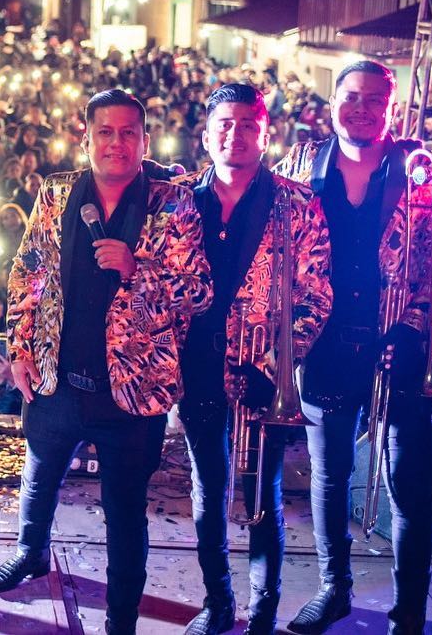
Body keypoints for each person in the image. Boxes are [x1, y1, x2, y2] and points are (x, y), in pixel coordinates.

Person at [0, 88, 213, 635]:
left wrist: (139, 270)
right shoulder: (56, 193)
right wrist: (18, 348)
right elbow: (26, 273)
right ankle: (30, 552)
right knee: (38, 474)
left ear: (144, 140)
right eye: (104, 132)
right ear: (85, 140)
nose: (116, 143)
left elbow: (199, 291)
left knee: (126, 512)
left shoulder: (172, 201)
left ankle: (121, 617)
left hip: (133, 390)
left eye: (127, 132)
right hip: (58, 377)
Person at [273, 60, 432, 635]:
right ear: (332, 102)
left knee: (408, 486)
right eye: (350, 96)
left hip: (397, 347)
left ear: (392, 105)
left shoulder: (420, 169)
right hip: (325, 347)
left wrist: (416, 331)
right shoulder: (303, 163)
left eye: (374, 99)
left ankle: (409, 610)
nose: (361, 107)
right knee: (329, 479)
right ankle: (334, 590)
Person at [174, 84, 332, 635]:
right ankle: (218, 605)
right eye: (224, 123)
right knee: (207, 490)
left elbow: (316, 296)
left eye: (247, 124)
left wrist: (276, 364)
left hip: (262, 375)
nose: (234, 134)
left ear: (266, 134)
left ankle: (263, 612)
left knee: (262, 499)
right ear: (205, 133)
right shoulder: (178, 200)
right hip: (197, 370)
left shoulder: (298, 203)